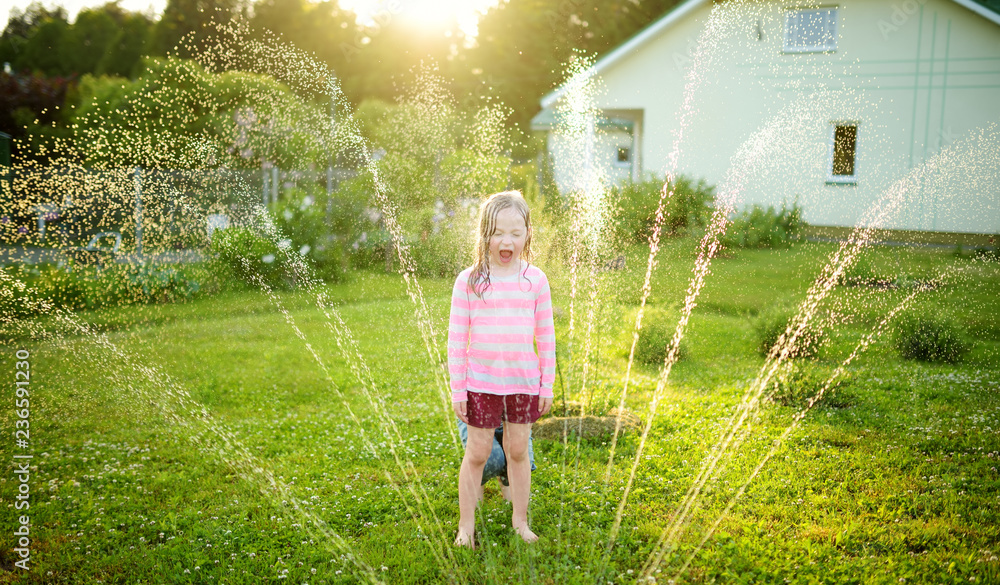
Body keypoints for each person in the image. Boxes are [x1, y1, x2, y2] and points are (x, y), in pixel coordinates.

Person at [449, 190, 555, 547]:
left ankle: (520, 522)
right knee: (477, 452)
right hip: (481, 382)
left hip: (523, 382)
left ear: (527, 234)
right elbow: (456, 340)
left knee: (518, 451)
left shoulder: (535, 280)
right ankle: (466, 528)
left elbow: (546, 337)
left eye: (515, 232)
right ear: (484, 234)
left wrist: (547, 385)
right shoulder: (470, 281)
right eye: (497, 232)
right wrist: (458, 389)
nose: (506, 241)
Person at [455, 419, 537, 503]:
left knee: (523, 461)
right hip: (479, 420)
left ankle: (505, 478)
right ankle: (478, 479)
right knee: (486, 460)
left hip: (514, 419)